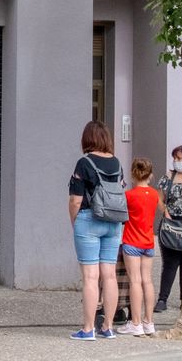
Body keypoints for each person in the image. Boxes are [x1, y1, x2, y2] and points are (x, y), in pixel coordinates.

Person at [68, 119, 124, 341]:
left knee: (90, 277)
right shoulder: (117, 163)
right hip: (114, 221)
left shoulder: (84, 163)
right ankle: (108, 327)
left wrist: (75, 222)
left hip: (89, 219)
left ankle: (88, 328)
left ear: (87, 139)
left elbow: (75, 200)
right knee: (109, 275)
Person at [118, 158, 159, 336]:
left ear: (133, 174)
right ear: (150, 174)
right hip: (148, 242)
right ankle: (149, 321)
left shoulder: (128, 196)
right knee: (147, 280)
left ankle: (135, 323)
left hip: (132, 241)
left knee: (135, 281)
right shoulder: (155, 195)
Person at [155, 145, 182, 312]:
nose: (176, 162)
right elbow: (159, 198)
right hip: (170, 224)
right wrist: (165, 212)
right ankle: (162, 298)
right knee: (169, 263)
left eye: (179, 158)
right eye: (174, 158)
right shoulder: (168, 176)